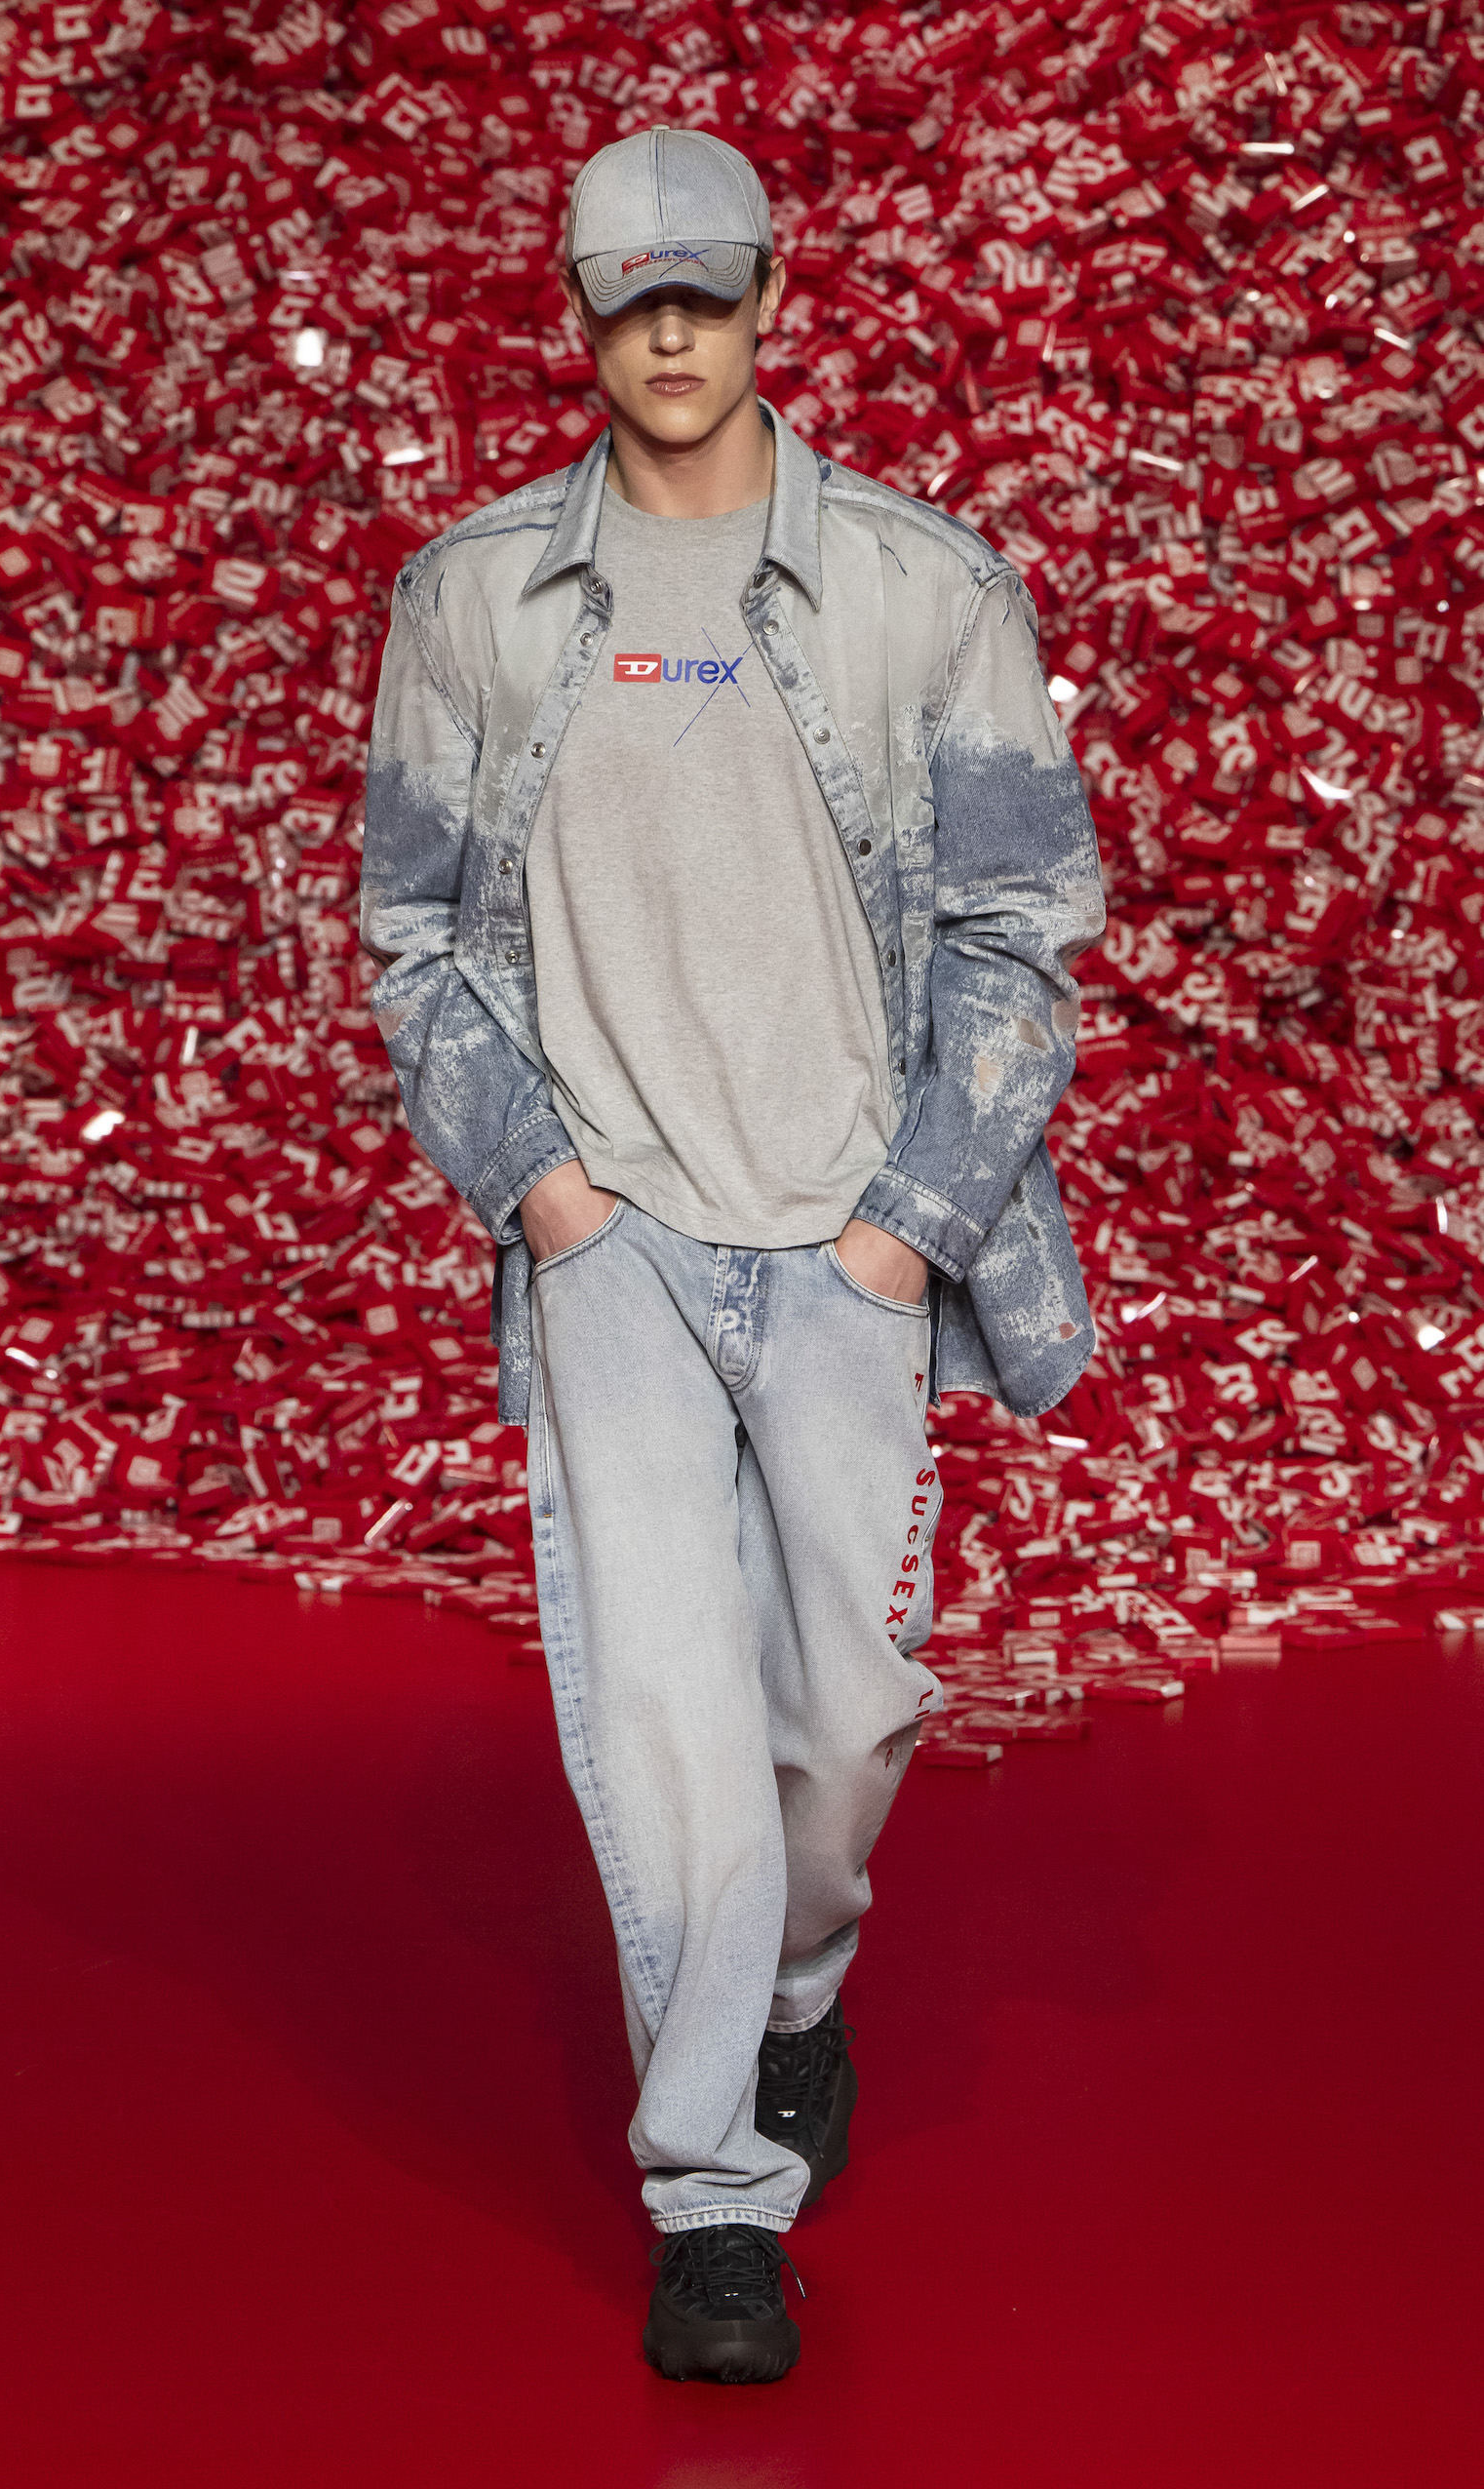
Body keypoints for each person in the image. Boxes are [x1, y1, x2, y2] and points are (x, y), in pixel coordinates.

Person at [361, 126, 1104, 2384]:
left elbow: (1021, 928)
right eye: (624, 297)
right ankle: (716, 2194)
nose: (668, 332)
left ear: (773, 296)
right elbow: (409, 933)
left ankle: (793, 1993)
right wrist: (548, 1197)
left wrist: (909, 1235)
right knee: (671, 1727)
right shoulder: (473, 599)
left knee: (847, 1717)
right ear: (575, 316)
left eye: (707, 290)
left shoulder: (917, 586)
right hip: (620, 1241)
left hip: (847, 1231)